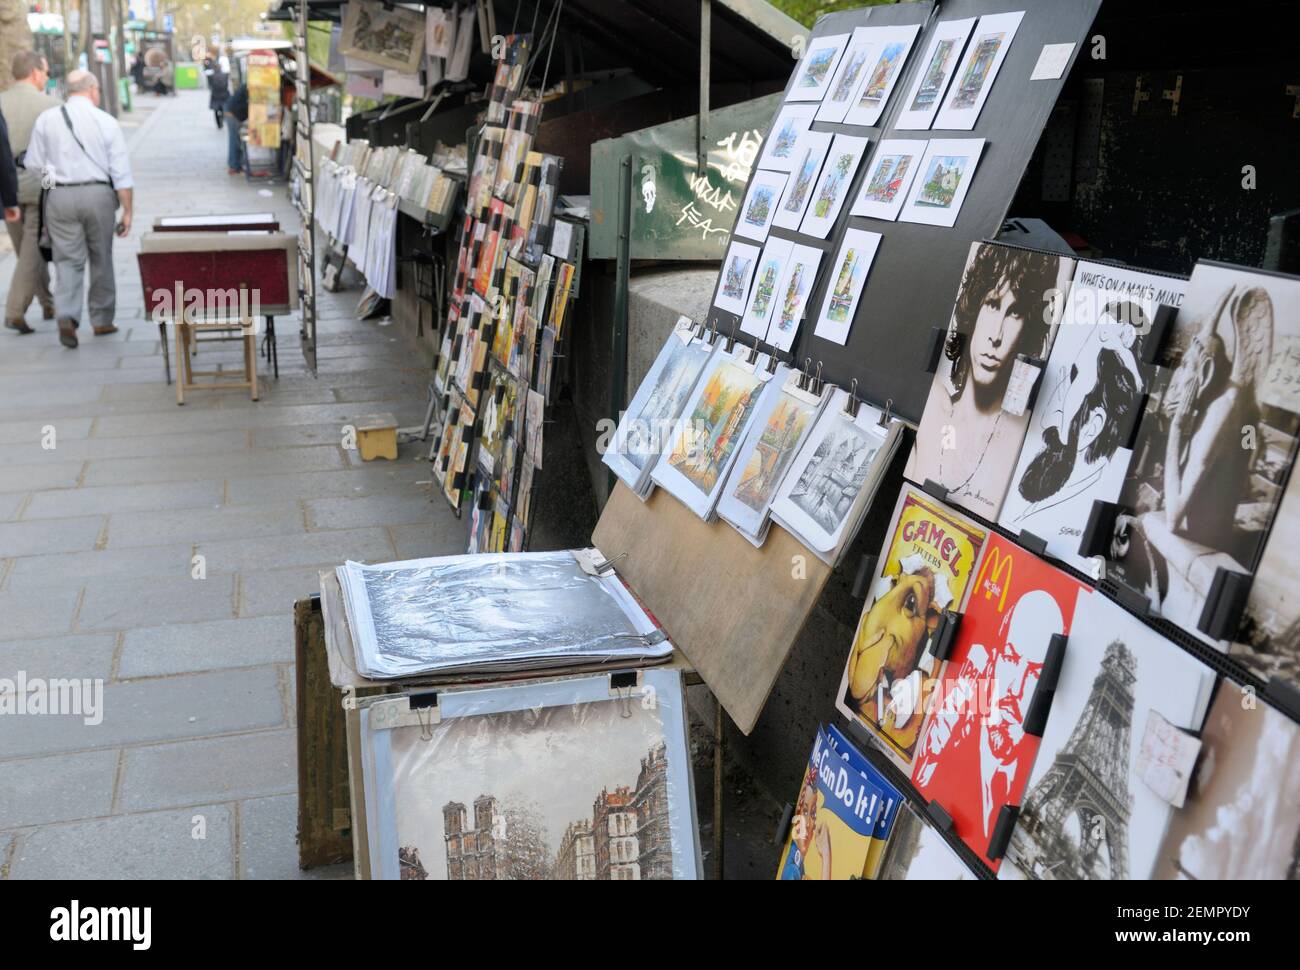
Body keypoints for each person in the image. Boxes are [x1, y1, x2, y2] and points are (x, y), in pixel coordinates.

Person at [23, 69, 134, 349]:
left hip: (60, 196)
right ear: (93, 89)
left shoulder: (47, 119)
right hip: (98, 193)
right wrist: (128, 211)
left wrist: (53, 184)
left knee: (67, 259)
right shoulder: (105, 121)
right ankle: (102, 319)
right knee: (101, 257)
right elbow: (120, 173)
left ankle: (68, 315)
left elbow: (34, 163)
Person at [1, 50, 60, 335]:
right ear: (36, 73)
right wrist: (51, 189)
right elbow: (54, 157)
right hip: (39, 186)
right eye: (46, 73)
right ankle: (14, 311)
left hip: (6, 190)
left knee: (26, 251)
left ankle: (48, 302)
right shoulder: (51, 105)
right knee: (33, 251)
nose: (46, 78)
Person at [224, 82, 248, 175]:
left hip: (233, 113)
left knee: (236, 140)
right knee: (234, 140)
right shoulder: (248, 87)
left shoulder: (247, 86)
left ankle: (236, 165)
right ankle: (234, 165)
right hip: (232, 114)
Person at [205, 48, 229, 128]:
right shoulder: (225, 75)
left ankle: (219, 124)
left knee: (216, 109)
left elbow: (210, 84)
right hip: (223, 94)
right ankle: (222, 119)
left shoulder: (212, 75)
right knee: (222, 107)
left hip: (215, 94)